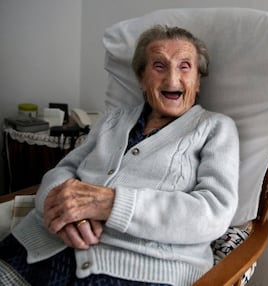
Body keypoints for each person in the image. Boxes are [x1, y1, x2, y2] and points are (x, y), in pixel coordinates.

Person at [0, 25, 239, 286]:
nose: (172, 79)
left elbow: (214, 211)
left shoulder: (215, 127)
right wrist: (60, 208)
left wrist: (110, 203)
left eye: (185, 66)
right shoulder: (113, 119)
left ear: (198, 81)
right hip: (39, 244)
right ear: (142, 78)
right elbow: (63, 171)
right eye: (159, 66)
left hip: (136, 269)